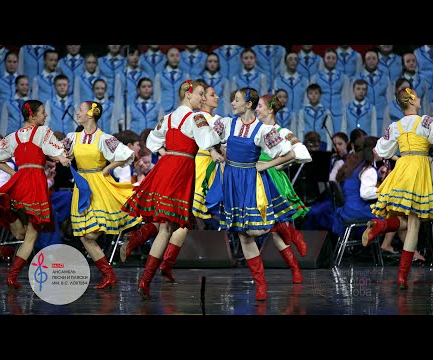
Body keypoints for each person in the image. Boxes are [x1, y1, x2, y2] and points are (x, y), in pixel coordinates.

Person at [121, 80, 223, 300]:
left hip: (167, 167)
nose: (202, 98)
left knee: (170, 222)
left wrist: (166, 153)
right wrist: (217, 147)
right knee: (167, 227)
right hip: (181, 169)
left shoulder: (167, 118)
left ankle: (136, 241)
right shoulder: (195, 117)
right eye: (199, 94)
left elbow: (151, 140)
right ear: (188, 94)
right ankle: (145, 280)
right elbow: (208, 139)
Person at [209, 87, 297, 301]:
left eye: (236, 100)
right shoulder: (228, 124)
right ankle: (261, 285)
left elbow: (289, 153)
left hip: (250, 181)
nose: (232, 103)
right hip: (231, 179)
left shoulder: (262, 130)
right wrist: (213, 151)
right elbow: (208, 139)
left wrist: (265, 165)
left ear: (248, 104)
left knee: (255, 231)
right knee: (243, 234)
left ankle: (275, 225)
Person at [361, 87, 433, 289]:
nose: (419, 99)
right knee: (414, 225)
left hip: (402, 169)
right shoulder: (425, 120)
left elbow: (380, 150)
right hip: (417, 170)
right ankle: (402, 276)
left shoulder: (396, 126)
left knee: (403, 220)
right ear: (410, 100)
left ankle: (380, 226)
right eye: (417, 97)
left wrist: (399, 157)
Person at [63, 101, 142, 289]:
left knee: (90, 234)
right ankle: (108, 275)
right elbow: (59, 152)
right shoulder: (73, 137)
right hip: (82, 186)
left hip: (99, 186)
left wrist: (109, 166)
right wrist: (63, 158)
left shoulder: (104, 138)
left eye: (81, 109)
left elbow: (127, 154)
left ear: (91, 114)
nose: (77, 112)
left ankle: (132, 239)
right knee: (84, 236)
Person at [0, 100, 70, 288]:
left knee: (22, 231)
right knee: (31, 235)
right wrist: (62, 157)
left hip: (19, 185)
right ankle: (12, 276)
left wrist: (15, 174)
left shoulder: (14, 137)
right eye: (43, 112)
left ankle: (12, 275)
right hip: (35, 185)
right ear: (32, 115)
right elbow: (57, 152)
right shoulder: (44, 132)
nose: (45, 116)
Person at [255, 93, 312, 283]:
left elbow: (301, 152)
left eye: (260, 106)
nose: (256, 109)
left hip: (274, 178)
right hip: (256, 178)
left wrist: (280, 164)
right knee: (273, 227)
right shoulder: (254, 129)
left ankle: (295, 269)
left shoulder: (282, 131)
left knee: (277, 225)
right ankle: (294, 260)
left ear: (270, 109)